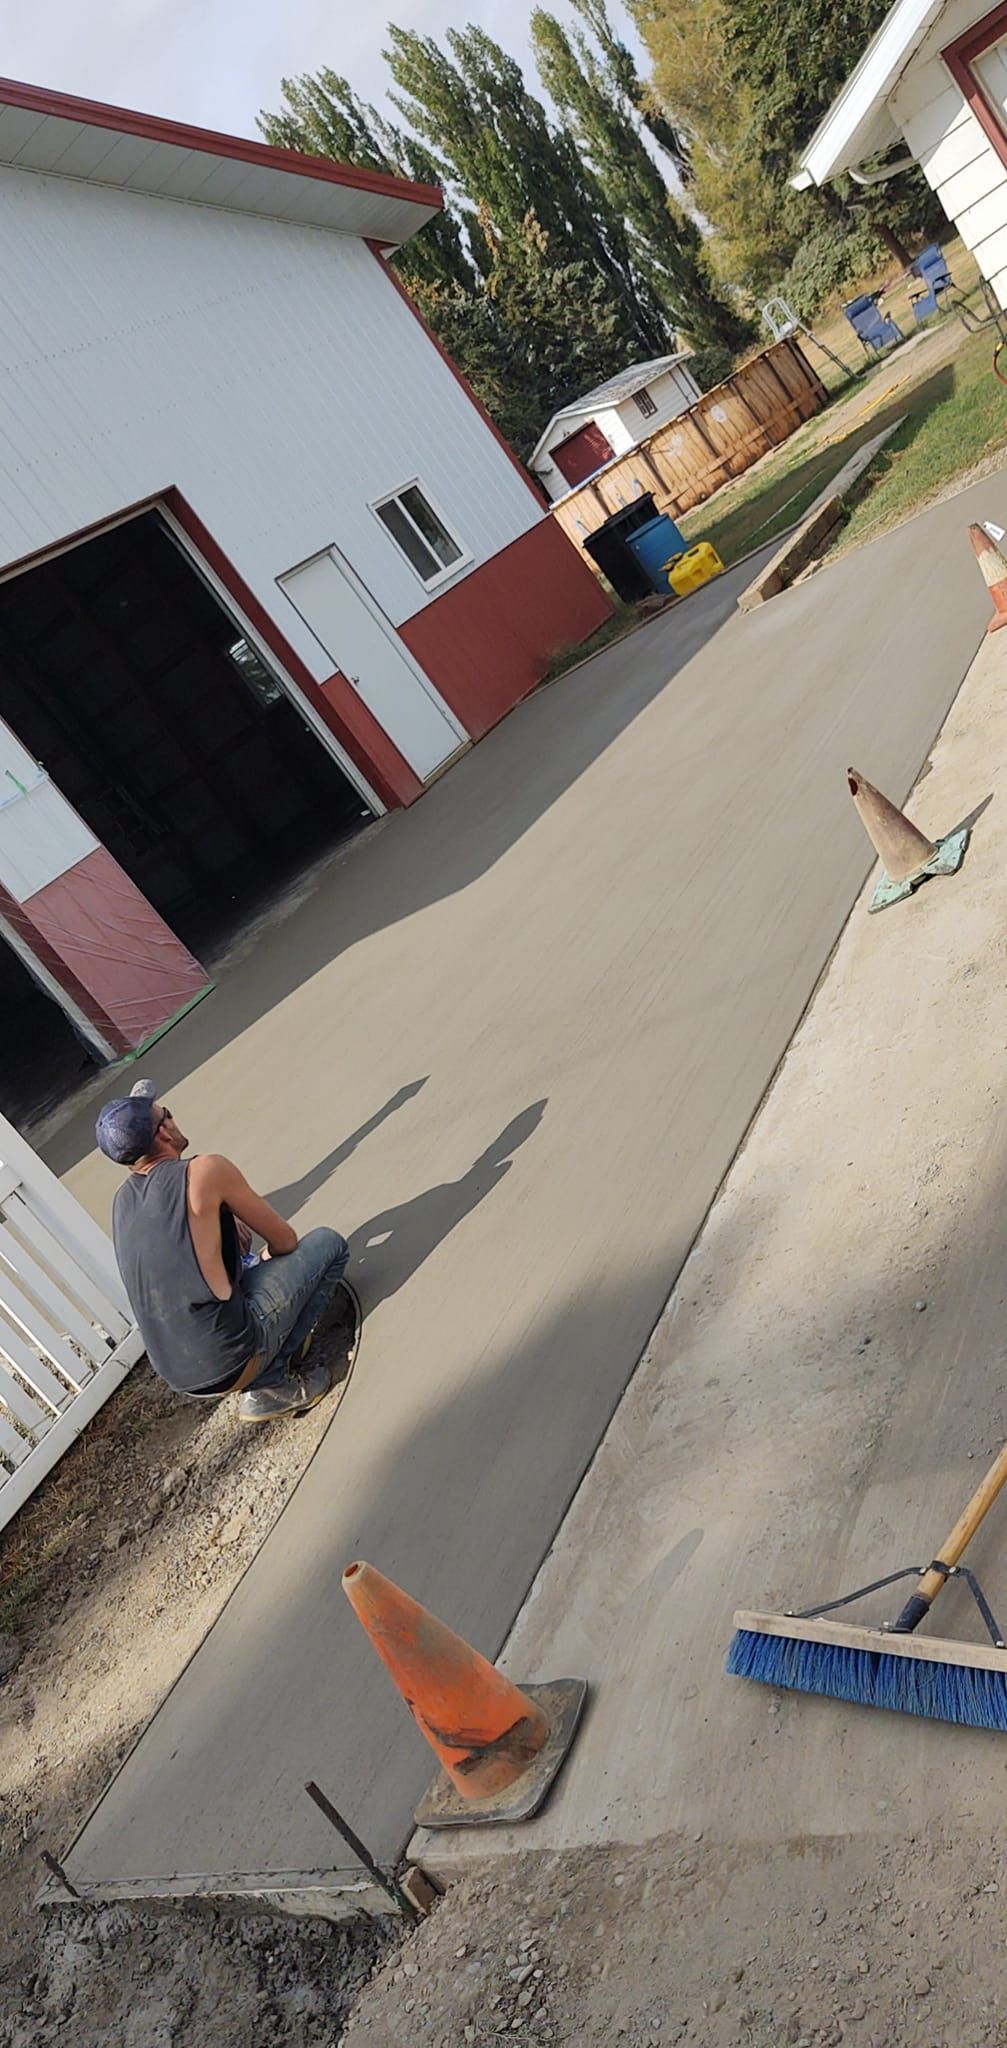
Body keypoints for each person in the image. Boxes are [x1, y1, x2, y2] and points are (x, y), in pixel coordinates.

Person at [95, 1089, 359, 1423]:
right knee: (328, 1244)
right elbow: (285, 1241)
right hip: (231, 1356)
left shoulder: (122, 1203)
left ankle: (266, 1362)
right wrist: (266, 1259)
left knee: (252, 1276)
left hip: (182, 1375)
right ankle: (271, 1382)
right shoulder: (204, 1171)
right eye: (168, 1113)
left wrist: (233, 1245)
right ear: (163, 1131)